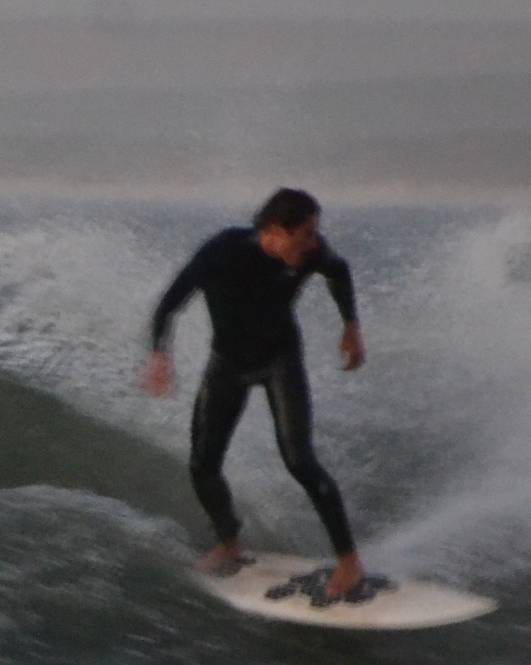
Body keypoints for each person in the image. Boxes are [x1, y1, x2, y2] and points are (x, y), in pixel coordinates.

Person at [142, 187, 367, 600]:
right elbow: (169, 304)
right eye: (306, 234)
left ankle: (349, 562)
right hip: (228, 365)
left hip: (280, 359)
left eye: (316, 234)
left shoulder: (311, 253)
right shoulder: (222, 252)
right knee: (203, 464)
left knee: (300, 460)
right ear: (277, 231)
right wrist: (159, 353)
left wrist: (350, 325)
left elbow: (340, 271)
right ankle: (229, 542)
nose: (314, 244)